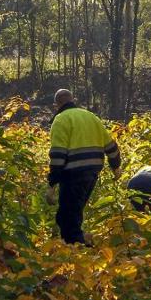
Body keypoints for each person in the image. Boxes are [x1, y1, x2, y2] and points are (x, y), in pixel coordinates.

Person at [47, 89, 120, 245]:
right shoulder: (91, 117)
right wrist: (116, 167)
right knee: (72, 213)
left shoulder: (60, 120)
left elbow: (58, 156)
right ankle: (80, 246)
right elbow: (111, 146)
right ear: (73, 100)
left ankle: (79, 251)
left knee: (67, 217)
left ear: (57, 105)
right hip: (92, 173)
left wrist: (52, 184)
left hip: (73, 174)